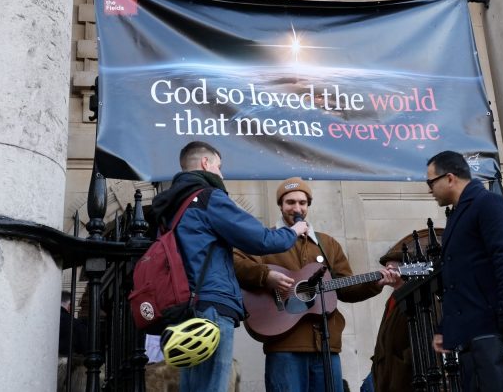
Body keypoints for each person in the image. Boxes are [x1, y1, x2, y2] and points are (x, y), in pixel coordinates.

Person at [149, 141, 309, 392]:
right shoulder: (207, 197)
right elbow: (260, 239)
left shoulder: (172, 208)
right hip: (211, 307)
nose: (222, 174)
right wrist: (293, 231)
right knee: (213, 386)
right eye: (219, 167)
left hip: (184, 308)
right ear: (206, 163)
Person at [234, 176, 401, 392]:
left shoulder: (327, 244)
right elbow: (235, 262)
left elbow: (344, 287)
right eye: (290, 202)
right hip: (284, 345)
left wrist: (375, 283)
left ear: (308, 206)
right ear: (280, 205)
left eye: (302, 203)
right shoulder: (266, 238)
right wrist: (266, 276)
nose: (297, 208)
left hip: (326, 345)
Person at [425, 150, 503, 388]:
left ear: (449, 178)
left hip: (497, 333)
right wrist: (445, 328)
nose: (429, 189)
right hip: (474, 338)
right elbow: (458, 278)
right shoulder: (458, 214)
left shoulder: (489, 204)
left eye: (430, 182)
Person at [367, 228, 441, 392]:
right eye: (386, 267)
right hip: (386, 379)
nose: (386, 271)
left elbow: (428, 336)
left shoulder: (419, 295)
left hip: (408, 379)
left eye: (391, 267)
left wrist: (401, 365)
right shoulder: (391, 300)